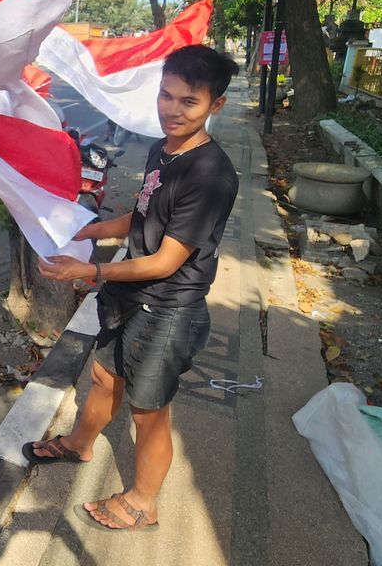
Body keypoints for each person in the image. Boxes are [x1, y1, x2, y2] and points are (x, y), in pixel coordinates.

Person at [29, 44, 240, 532]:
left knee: (149, 411)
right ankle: (81, 443)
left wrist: (90, 273)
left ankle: (144, 502)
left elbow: (166, 260)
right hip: (128, 300)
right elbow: (146, 215)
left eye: (189, 101)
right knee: (104, 379)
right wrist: (92, 230)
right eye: (166, 96)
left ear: (216, 105)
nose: (172, 109)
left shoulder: (210, 175)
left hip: (167, 309)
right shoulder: (161, 149)